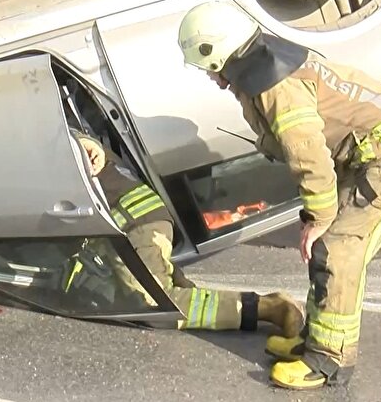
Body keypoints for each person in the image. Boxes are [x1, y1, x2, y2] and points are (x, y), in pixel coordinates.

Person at [176, 0, 381, 391]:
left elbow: (307, 153)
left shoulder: (276, 85)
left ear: (218, 54)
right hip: (372, 151)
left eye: (207, 67)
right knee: (324, 247)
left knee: (338, 246)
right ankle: (316, 336)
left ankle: (330, 359)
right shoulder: (262, 65)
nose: (210, 78)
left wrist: (319, 217)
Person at [63, 129, 304, 337]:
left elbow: (79, 143)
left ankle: (270, 308)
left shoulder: (66, 142)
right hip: (138, 223)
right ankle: (252, 304)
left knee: (156, 307)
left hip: (136, 225)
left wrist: (83, 141)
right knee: (179, 296)